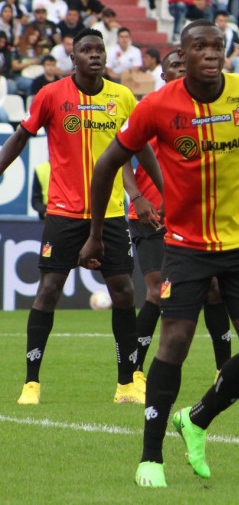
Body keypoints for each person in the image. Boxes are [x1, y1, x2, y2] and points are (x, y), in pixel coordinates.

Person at [78, 20, 239, 489]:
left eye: (216, 46)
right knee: (175, 344)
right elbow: (106, 166)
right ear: (181, 56)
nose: (209, 53)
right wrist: (97, 233)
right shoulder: (157, 106)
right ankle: (150, 457)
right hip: (185, 248)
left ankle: (198, 418)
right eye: (198, 47)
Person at [0, 29, 159, 406]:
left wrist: (159, 190)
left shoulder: (121, 97)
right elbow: (22, 138)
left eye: (98, 50)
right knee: (49, 290)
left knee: (123, 292)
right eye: (86, 50)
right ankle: (31, 384)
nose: (94, 55)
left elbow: (138, 148)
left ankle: (126, 385)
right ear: (74, 58)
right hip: (64, 212)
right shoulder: (52, 95)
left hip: (113, 213)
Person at [126, 50, 239, 396]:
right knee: (158, 293)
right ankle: (133, 376)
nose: (178, 70)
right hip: (151, 217)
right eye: (171, 65)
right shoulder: (153, 109)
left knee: (215, 293)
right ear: (162, 74)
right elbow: (119, 159)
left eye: (180, 64)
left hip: (192, 223)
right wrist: (137, 198)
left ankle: (224, 370)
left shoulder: (204, 113)